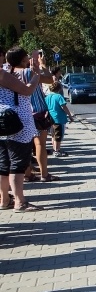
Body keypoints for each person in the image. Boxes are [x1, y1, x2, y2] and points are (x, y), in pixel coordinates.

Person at [6, 47, 57, 182]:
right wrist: (43, 65)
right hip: (38, 111)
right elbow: (51, 80)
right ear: (23, 59)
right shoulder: (29, 72)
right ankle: (44, 174)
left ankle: (28, 173)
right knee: (40, 145)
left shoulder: (7, 73)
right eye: (27, 56)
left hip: (17, 114)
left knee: (25, 145)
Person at [0, 65, 43, 211]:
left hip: (2, 124)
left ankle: (4, 200)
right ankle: (19, 202)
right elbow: (27, 90)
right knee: (17, 164)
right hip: (16, 124)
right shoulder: (3, 74)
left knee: (3, 165)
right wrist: (36, 75)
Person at [44, 81, 74, 157]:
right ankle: (57, 151)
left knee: (53, 135)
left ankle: (55, 149)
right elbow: (63, 107)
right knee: (58, 135)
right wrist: (70, 115)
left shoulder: (47, 97)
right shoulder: (59, 96)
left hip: (50, 119)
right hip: (59, 118)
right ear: (59, 88)